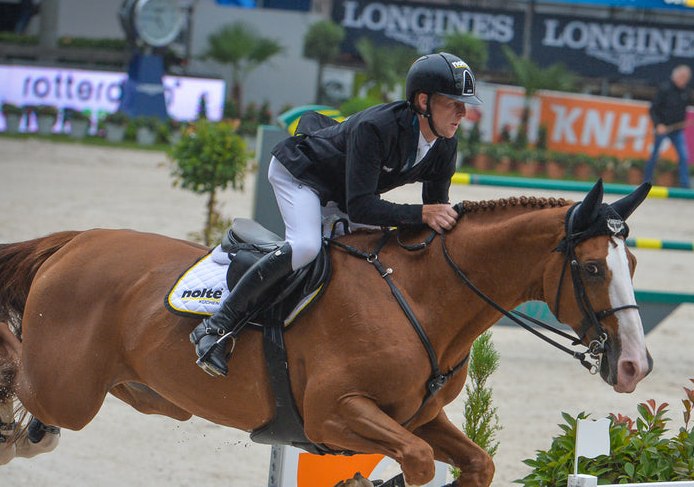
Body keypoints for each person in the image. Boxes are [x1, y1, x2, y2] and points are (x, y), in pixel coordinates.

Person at [190, 52, 481, 377]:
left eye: (464, 104)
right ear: (424, 101)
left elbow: (433, 214)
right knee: (305, 247)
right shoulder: (378, 128)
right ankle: (215, 327)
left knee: (371, 255)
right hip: (301, 174)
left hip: (343, 191)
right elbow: (363, 207)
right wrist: (422, 213)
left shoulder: (445, 146)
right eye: (453, 102)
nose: (464, 112)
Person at [644, 64, 691, 190]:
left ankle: (685, 185)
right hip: (662, 129)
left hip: (677, 130)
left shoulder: (685, 92)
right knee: (654, 155)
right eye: (682, 77)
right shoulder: (665, 89)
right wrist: (658, 125)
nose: (685, 80)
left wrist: (682, 123)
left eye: (686, 77)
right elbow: (653, 109)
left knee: (684, 156)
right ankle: (646, 182)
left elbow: (683, 111)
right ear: (675, 76)